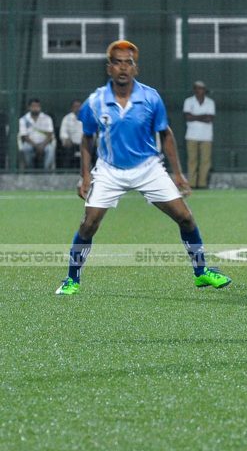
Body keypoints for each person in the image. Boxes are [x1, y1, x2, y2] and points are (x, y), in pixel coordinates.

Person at [55, 40, 231, 295]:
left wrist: (178, 174)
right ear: (109, 68)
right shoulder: (95, 101)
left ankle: (202, 273)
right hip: (109, 171)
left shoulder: (150, 97)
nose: (123, 67)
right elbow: (86, 139)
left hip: (148, 168)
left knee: (185, 217)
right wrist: (85, 176)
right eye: (117, 62)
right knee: (88, 224)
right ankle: (72, 280)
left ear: (135, 69)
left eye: (129, 62)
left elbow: (166, 134)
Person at [183, 80, 216, 189]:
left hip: (206, 136)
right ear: (194, 89)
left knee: (205, 161)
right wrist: (202, 116)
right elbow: (187, 117)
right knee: (192, 160)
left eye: (202, 88)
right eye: (197, 88)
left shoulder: (210, 102)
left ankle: (202, 184)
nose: (200, 90)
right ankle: (192, 183)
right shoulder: (188, 101)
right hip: (191, 135)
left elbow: (209, 118)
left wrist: (195, 116)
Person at [18, 98, 56, 170]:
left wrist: (42, 145)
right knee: (26, 149)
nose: (35, 108)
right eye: (33, 106)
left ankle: (46, 171)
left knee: (50, 149)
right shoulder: (23, 119)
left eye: (37, 106)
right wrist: (36, 146)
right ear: (29, 107)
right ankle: (31, 170)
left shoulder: (47, 118)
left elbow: (50, 134)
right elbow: (24, 136)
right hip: (30, 143)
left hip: (45, 143)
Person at [59, 99, 84, 169]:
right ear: (72, 108)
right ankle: (67, 172)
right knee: (67, 149)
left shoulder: (87, 117)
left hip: (85, 144)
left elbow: (92, 132)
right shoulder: (67, 118)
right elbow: (63, 133)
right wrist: (67, 139)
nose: (78, 108)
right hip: (72, 144)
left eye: (79, 106)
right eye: (75, 107)